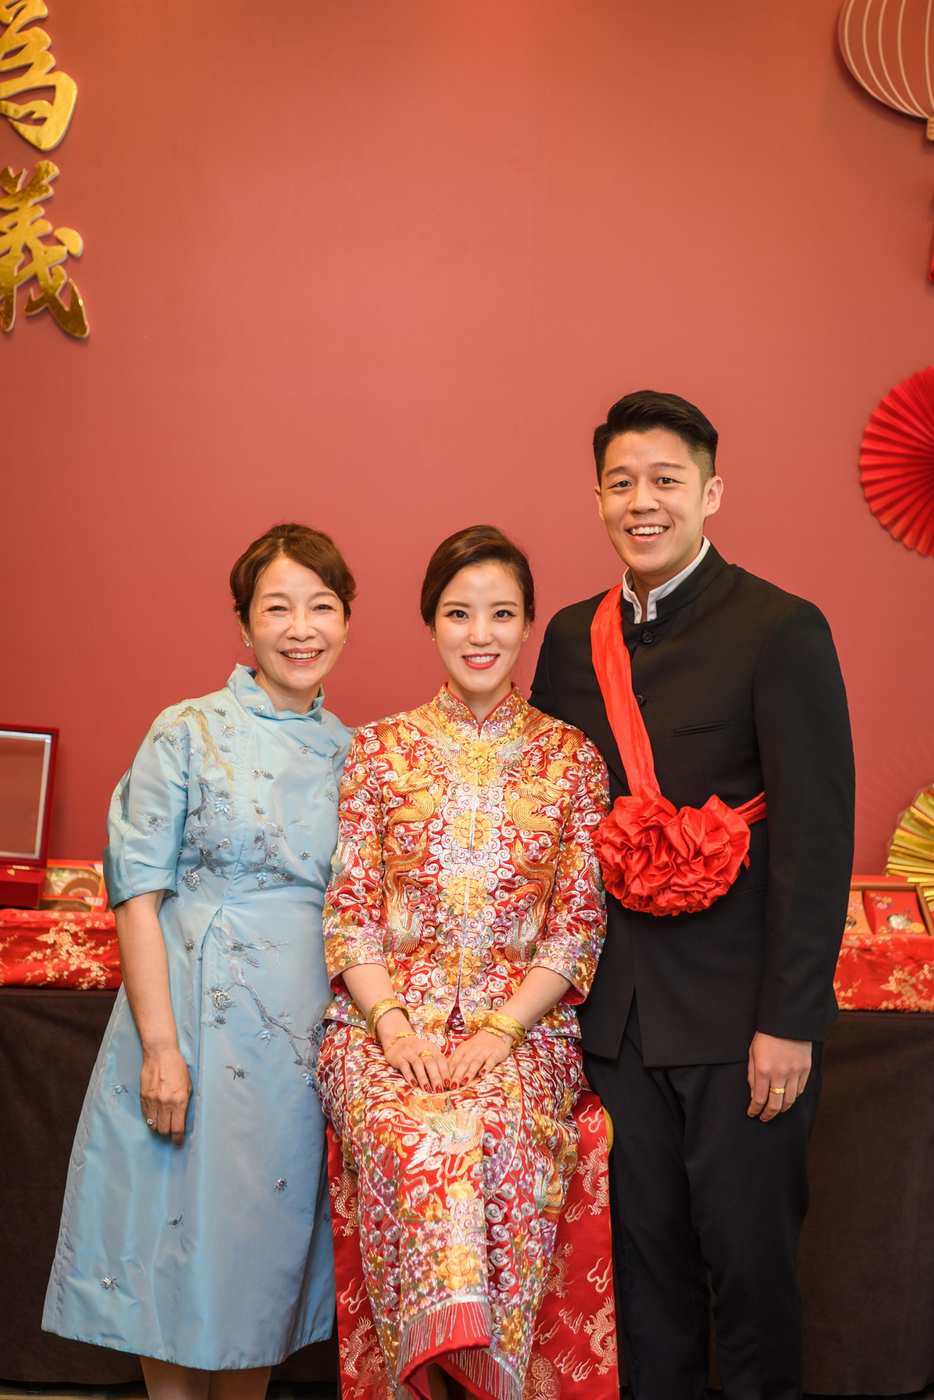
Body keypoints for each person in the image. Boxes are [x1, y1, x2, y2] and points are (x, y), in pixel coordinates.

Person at [530, 391, 855, 1400]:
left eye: (666, 480)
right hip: (619, 1023)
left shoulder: (780, 628)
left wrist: (788, 1022)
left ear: (711, 493)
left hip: (739, 1023)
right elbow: (549, 819)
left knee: (750, 1276)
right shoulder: (570, 638)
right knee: (644, 1283)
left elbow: (814, 838)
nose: (643, 502)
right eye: (621, 482)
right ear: (597, 498)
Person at [44, 523, 355, 1400]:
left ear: (346, 620)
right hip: (190, 1013)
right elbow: (136, 893)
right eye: (277, 608)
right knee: (171, 1241)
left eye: (321, 607)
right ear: (243, 624)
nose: (301, 628)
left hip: (296, 1040)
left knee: (260, 1246)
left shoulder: (357, 752)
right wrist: (159, 1047)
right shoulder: (186, 731)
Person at [316, 525, 608, 1400]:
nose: (481, 634)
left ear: (527, 625)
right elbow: (351, 916)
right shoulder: (378, 750)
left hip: (525, 1036)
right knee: (415, 1139)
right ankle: (429, 1380)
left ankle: (487, 1381)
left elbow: (576, 928)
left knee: (499, 1137)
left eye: (501, 614)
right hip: (378, 1029)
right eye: (458, 613)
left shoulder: (572, 760)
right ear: (430, 622)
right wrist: (394, 1028)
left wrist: (500, 1032)